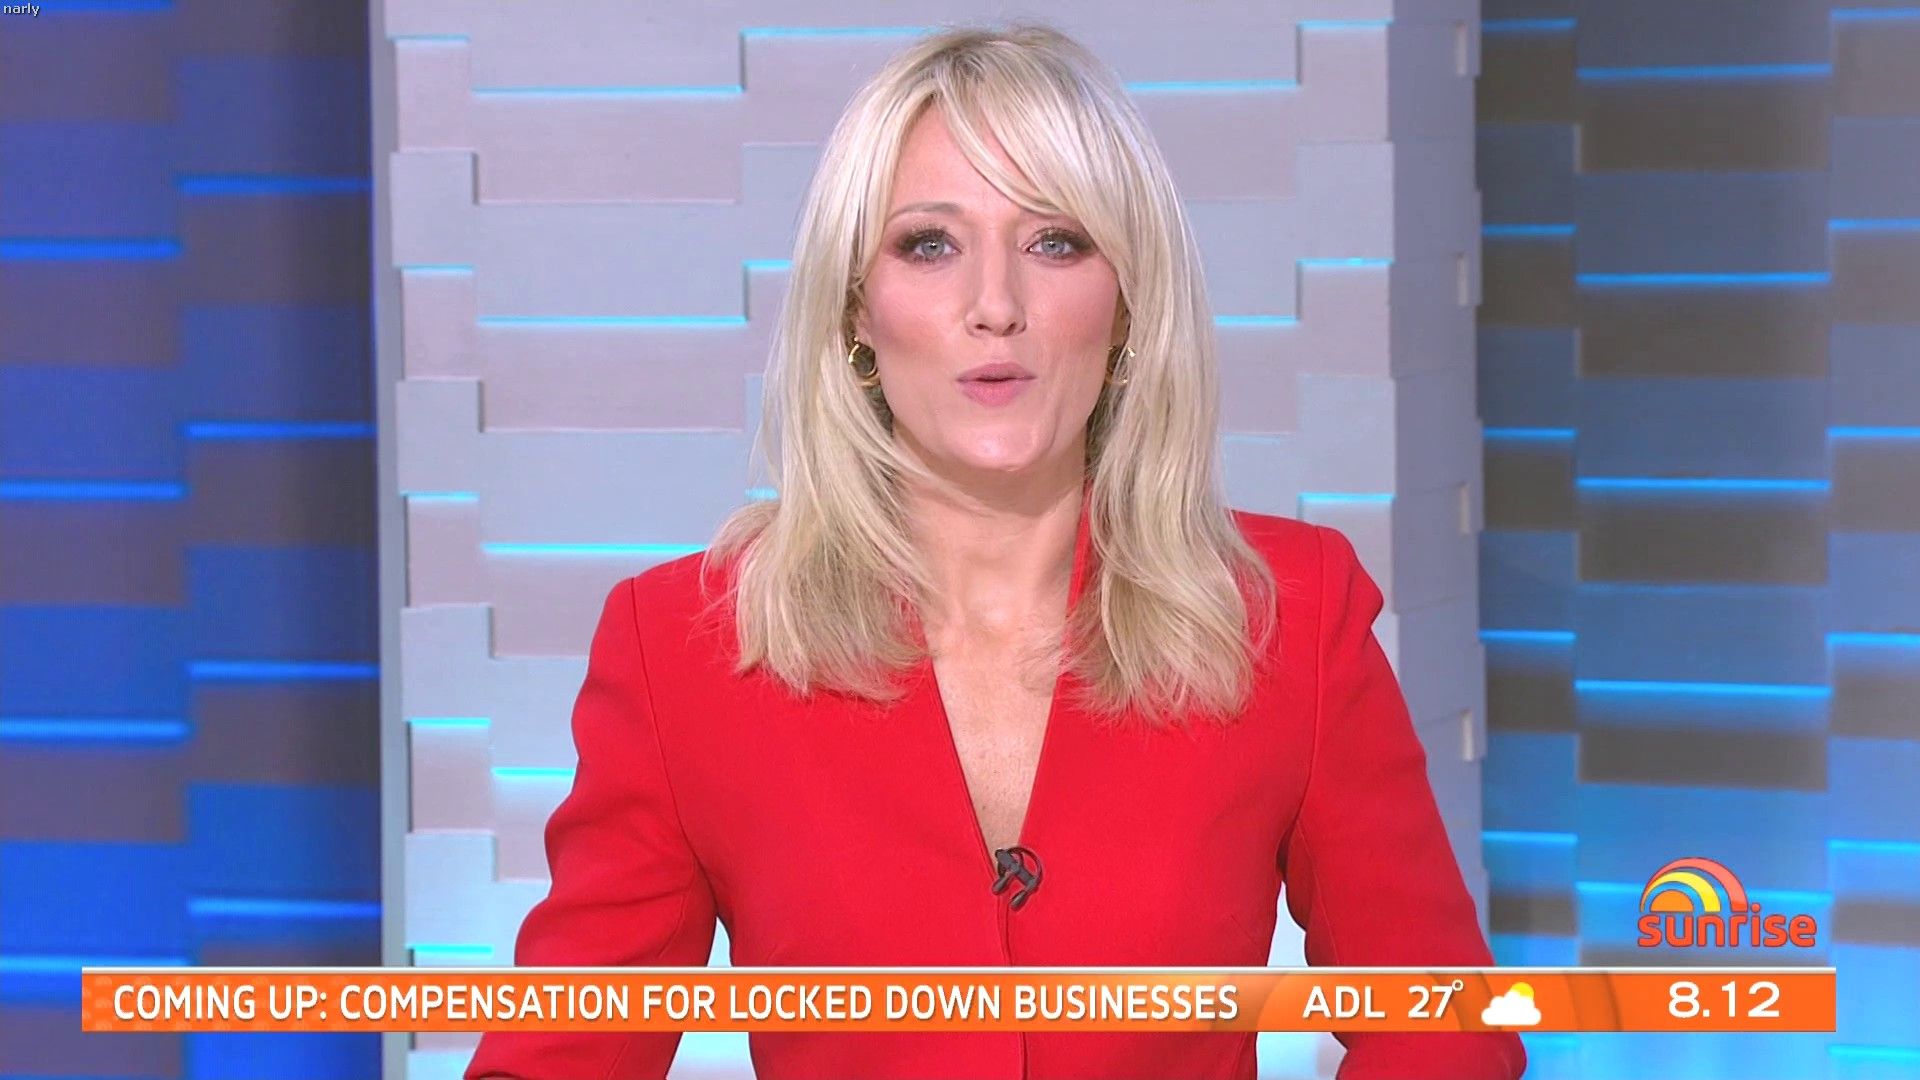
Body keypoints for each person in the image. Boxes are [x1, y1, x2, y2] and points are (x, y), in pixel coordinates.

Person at [465, 20, 1525, 1080]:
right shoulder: (684, 647)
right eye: (929, 245)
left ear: (1126, 305)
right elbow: (559, 1055)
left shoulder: (1288, 614)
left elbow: (1444, 1029)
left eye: (1055, 242)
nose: (996, 307)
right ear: (855, 310)